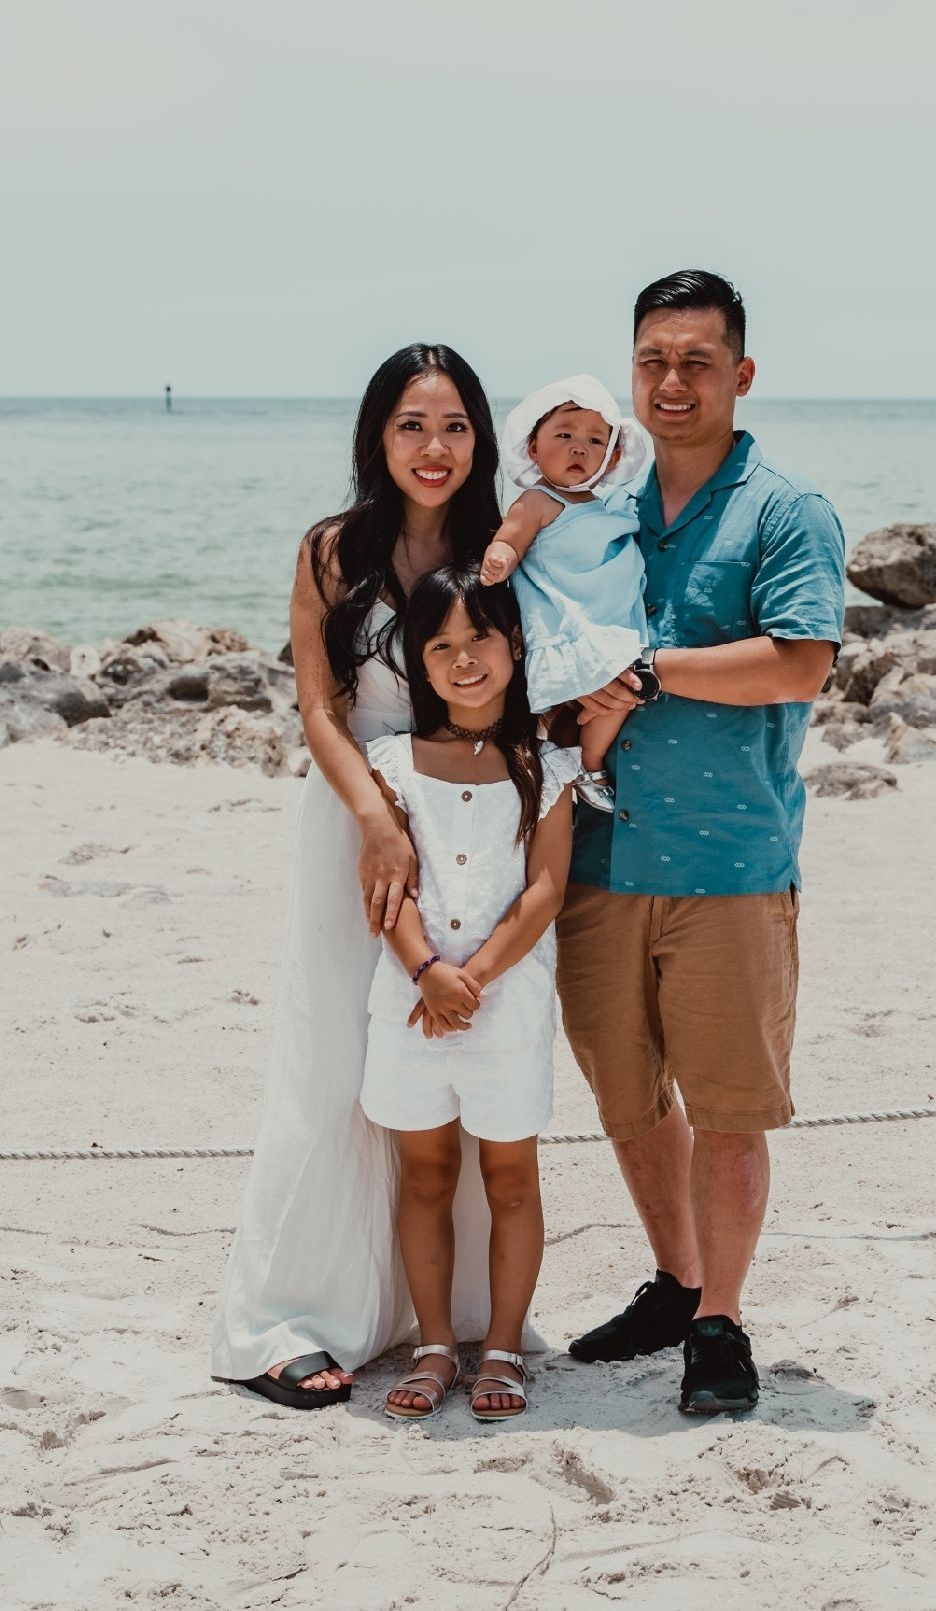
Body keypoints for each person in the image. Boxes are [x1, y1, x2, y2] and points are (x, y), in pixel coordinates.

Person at [210, 343, 537, 1408]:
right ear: (377, 436)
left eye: (452, 425)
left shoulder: (506, 549)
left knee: (463, 1042)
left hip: (477, 817)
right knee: (339, 1052)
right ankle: (297, 1312)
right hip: (356, 811)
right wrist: (373, 821)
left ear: (480, 436)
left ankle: (462, 1320)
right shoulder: (329, 549)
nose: (433, 447)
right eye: (410, 425)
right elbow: (318, 705)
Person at [555, 270, 845, 1415]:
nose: (672, 382)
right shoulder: (599, 497)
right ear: (631, 369)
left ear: (741, 373)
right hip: (592, 857)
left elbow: (800, 658)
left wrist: (644, 671)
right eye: (653, 361)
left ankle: (721, 1317)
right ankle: (675, 1280)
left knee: (728, 1106)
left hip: (730, 859)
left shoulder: (784, 508)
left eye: (697, 361)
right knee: (628, 1097)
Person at [361, 565, 577, 1421]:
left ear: (515, 646)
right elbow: (386, 890)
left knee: (512, 1179)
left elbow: (546, 891)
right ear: (418, 659)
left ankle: (503, 1347)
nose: (464, 659)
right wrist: (427, 972)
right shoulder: (390, 762)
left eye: (481, 638)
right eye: (441, 645)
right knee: (424, 1176)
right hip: (410, 1006)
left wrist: (473, 979)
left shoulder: (547, 764)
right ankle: (437, 1343)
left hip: (507, 1009)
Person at [480, 375, 650, 810]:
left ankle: (575, 760)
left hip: (601, 615)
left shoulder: (605, 506)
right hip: (566, 620)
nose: (579, 447)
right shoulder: (536, 500)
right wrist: (500, 556)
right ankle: (589, 765)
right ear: (534, 448)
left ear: (610, 459)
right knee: (616, 689)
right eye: (564, 435)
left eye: (595, 440)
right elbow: (510, 537)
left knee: (618, 694)